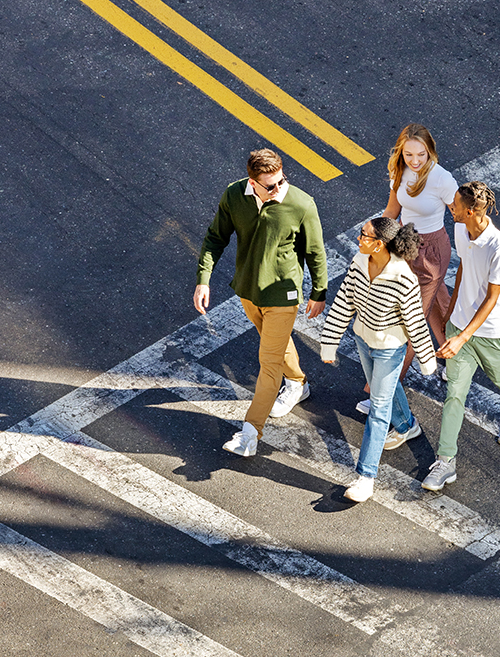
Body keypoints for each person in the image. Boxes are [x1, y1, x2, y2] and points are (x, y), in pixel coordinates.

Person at [194, 147, 326, 457]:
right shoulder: (234, 196)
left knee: (268, 364)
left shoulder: (301, 204)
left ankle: (250, 433)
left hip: (283, 294)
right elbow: (215, 237)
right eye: (271, 185)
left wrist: (319, 292)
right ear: (252, 183)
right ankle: (298, 383)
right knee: (275, 344)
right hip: (248, 291)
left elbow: (315, 252)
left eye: (282, 181)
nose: (279, 189)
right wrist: (203, 279)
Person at [421, 180, 500, 492]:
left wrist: (463, 337)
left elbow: (491, 299)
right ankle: (445, 461)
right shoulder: (462, 230)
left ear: (474, 210)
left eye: (456, 207)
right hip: (461, 327)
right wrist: (451, 313)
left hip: (491, 334)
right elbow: (464, 264)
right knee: (454, 395)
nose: (451, 209)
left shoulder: (498, 247)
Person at [318, 217, 437, 503]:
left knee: (379, 408)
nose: (359, 239)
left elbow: (414, 322)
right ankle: (408, 426)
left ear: (380, 243)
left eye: (364, 235)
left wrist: (426, 359)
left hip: (389, 348)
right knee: (383, 387)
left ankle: (365, 477)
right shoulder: (360, 261)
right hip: (362, 339)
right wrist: (329, 344)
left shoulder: (403, 278)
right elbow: (345, 301)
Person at [355, 123, 457, 412]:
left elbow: (460, 215)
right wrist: (375, 240)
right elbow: (392, 212)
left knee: (410, 319)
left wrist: (474, 250)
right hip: (404, 243)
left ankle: (381, 394)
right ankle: (454, 356)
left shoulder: (441, 179)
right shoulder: (399, 171)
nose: (415, 161)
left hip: (432, 253)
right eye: (409, 154)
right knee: (438, 303)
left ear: (430, 152)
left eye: (421, 155)